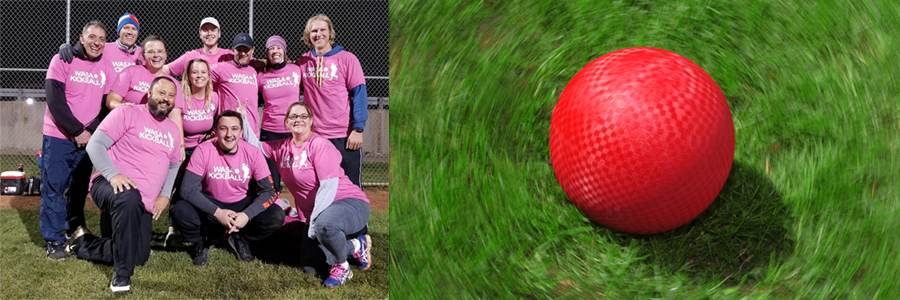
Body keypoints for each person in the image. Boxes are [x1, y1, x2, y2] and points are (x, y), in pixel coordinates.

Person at [64, 77, 181, 294]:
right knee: (128, 196)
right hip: (109, 185)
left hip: (141, 202)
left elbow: (174, 164)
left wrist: (165, 195)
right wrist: (113, 174)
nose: (166, 99)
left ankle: (83, 243)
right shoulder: (127, 113)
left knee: (140, 255)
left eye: (171, 95)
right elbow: (95, 144)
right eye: (161, 93)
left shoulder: (173, 130)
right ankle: (122, 276)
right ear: (149, 93)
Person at [239, 102, 372, 287]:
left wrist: (315, 223)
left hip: (349, 203)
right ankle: (357, 246)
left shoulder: (319, 144)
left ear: (311, 121)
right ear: (287, 122)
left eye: (303, 116)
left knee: (326, 226)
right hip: (319, 214)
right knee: (310, 266)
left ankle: (343, 267)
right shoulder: (282, 147)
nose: (298, 120)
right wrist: (243, 118)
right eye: (293, 116)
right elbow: (256, 147)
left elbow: (328, 187)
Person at [40, 20, 117, 260]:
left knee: (79, 189)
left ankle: (75, 230)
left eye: (102, 39)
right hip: (59, 136)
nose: (97, 42)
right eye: (92, 37)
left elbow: (105, 106)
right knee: (54, 187)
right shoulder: (62, 60)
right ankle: (53, 238)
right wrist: (75, 131)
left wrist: (89, 132)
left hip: (88, 139)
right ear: (81, 38)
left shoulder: (106, 66)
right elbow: (55, 100)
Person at [171, 110, 284, 266]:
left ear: (241, 132)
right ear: (216, 131)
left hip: (241, 204)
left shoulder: (253, 153)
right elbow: (187, 189)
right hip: (211, 205)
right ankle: (202, 242)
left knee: (276, 216)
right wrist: (217, 212)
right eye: (223, 128)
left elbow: (269, 191)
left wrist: (246, 215)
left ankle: (241, 240)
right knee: (180, 210)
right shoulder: (203, 150)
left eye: (234, 129)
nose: (229, 134)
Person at [295, 14, 368, 189]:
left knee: (350, 186)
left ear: (330, 33)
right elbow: (283, 75)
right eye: (314, 30)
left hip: (343, 134)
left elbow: (359, 94)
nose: (318, 34)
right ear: (308, 35)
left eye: (322, 30)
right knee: (317, 185)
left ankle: (354, 216)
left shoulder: (347, 59)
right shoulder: (303, 62)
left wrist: (358, 129)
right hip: (315, 135)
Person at [165, 58, 220, 245]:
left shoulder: (215, 97)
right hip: (184, 149)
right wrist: (180, 148)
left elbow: (217, 124)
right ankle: (172, 231)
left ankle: (201, 225)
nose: (199, 76)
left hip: (204, 151)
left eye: (203, 72)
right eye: (195, 72)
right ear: (188, 75)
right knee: (179, 188)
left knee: (203, 189)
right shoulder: (181, 96)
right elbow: (174, 124)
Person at [107, 35, 186, 160]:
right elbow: (111, 99)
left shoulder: (173, 83)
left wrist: (180, 145)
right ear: (143, 55)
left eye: (160, 51)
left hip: (155, 136)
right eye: (151, 52)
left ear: (166, 55)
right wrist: (123, 108)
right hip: (127, 133)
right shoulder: (130, 72)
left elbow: (175, 117)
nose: (156, 55)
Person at [257, 35, 302, 195]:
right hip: (270, 132)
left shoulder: (296, 70)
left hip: (294, 131)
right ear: (267, 54)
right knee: (272, 181)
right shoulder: (261, 76)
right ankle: (274, 215)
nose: (275, 51)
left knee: (299, 177)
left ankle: (305, 216)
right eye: (271, 48)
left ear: (284, 50)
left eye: (278, 47)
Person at [210, 33, 261, 136]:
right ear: (233, 50)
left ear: (252, 50)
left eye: (246, 50)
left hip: (252, 131)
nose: (242, 53)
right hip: (229, 131)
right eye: (239, 50)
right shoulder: (221, 68)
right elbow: (198, 75)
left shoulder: (254, 72)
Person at [58, 12, 143, 73]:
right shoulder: (104, 47)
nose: (130, 32)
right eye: (126, 27)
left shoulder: (143, 53)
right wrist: (67, 47)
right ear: (119, 31)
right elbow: (84, 52)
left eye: (134, 29)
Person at [163, 17, 233, 77]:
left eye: (213, 30)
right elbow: (166, 70)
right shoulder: (192, 56)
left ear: (219, 33)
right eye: (205, 30)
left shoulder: (228, 56)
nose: (209, 33)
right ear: (200, 34)